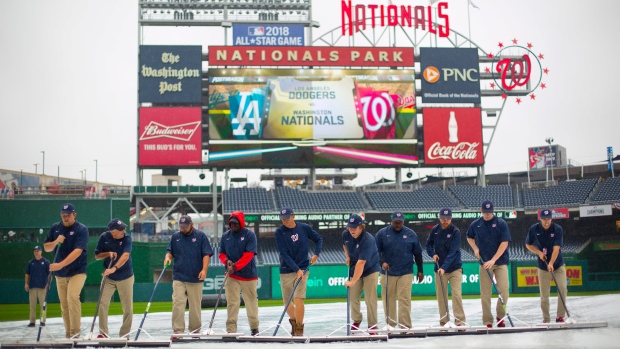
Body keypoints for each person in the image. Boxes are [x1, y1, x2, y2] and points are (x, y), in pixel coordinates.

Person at [275, 207, 323, 336]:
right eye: (282, 219)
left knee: (298, 298)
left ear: (293, 216)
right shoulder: (279, 232)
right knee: (287, 303)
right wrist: (296, 269)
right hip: (286, 269)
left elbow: (318, 239)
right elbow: (283, 253)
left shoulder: (304, 228)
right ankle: (295, 320)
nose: (284, 221)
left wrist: (316, 254)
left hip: (303, 268)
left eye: (287, 218)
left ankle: (298, 328)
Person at [44, 203, 89, 338]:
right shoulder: (55, 228)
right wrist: (56, 241)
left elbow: (78, 251)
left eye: (68, 215)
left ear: (74, 214)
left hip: (77, 271)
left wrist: (61, 264)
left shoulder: (81, 229)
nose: (65, 218)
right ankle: (68, 334)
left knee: (72, 298)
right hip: (60, 274)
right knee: (64, 305)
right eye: (63, 215)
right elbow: (46, 247)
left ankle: (75, 333)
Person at [164, 215, 213, 335]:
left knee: (195, 306)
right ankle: (178, 330)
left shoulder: (200, 236)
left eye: (185, 227)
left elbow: (206, 254)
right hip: (179, 276)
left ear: (191, 225)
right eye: (181, 227)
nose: (182, 229)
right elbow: (169, 251)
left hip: (195, 277)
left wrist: (204, 270)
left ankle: (195, 330)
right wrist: (168, 258)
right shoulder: (175, 236)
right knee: (177, 303)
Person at [466, 200, 511, 328]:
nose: (487, 215)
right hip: (484, 263)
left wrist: (493, 260)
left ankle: (500, 316)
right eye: (485, 212)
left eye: (489, 212)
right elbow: (469, 237)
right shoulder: (476, 224)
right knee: (485, 293)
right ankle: (488, 321)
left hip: (500, 262)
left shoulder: (500, 223)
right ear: (481, 210)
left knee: (504, 290)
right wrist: (475, 248)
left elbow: (505, 243)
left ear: (493, 210)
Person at [375, 211, 423, 330]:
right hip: (387, 271)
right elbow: (375, 251)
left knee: (405, 299)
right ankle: (390, 324)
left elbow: (417, 253)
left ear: (403, 221)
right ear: (391, 221)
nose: (397, 224)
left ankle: (405, 325)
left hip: (405, 271)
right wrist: (382, 263)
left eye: (400, 222)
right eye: (395, 222)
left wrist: (420, 270)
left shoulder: (411, 234)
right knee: (388, 299)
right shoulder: (382, 233)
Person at [218, 211, 259, 335]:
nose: (233, 225)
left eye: (235, 223)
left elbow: (249, 255)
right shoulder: (225, 236)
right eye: (231, 223)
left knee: (251, 302)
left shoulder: (249, 235)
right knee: (232, 302)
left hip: (248, 275)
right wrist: (227, 261)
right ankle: (231, 329)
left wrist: (235, 266)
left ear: (241, 222)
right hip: (232, 276)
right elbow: (221, 253)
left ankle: (254, 328)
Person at [525, 209, 568, 323]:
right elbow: (528, 244)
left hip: (558, 264)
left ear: (551, 219)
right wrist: (539, 252)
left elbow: (556, 248)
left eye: (548, 219)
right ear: (540, 219)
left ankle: (560, 316)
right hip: (543, 266)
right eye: (544, 219)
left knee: (563, 289)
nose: (546, 221)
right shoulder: (534, 229)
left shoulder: (557, 229)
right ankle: (546, 318)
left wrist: (551, 263)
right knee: (544, 294)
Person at [426, 208, 466, 326]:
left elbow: (453, 252)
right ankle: (444, 321)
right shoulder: (435, 230)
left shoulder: (455, 231)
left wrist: (444, 267)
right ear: (439, 218)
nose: (445, 220)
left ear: (451, 218)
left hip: (454, 268)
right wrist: (433, 254)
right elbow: (428, 245)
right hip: (439, 269)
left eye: (447, 218)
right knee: (441, 297)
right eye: (443, 218)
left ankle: (459, 321)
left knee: (456, 295)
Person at [94, 218, 134, 338]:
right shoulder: (104, 237)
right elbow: (97, 256)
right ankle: (103, 333)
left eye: (123, 228)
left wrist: (114, 268)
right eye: (120, 229)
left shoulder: (127, 238)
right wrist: (108, 253)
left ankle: (124, 334)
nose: (124, 230)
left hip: (125, 276)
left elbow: (126, 255)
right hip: (109, 278)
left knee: (127, 308)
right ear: (112, 231)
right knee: (102, 303)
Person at [342, 214, 380, 332]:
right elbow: (345, 245)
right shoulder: (346, 234)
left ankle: (372, 325)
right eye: (349, 227)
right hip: (355, 266)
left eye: (354, 227)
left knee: (370, 298)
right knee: (353, 297)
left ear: (361, 227)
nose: (351, 230)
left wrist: (353, 281)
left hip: (370, 268)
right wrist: (347, 256)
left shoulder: (368, 239)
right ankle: (357, 320)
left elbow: (361, 263)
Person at [24, 246, 50, 327]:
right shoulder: (30, 262)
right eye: (35, 251)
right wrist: (26, 283)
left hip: (42, 287)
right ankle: (32, 321)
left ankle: (42, 321)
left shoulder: (46, 262)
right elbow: (27, 273)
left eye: (37, 251)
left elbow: (49, 274)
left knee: (43, 305)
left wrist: (48, 283)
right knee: (32, 305)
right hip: (32, 287)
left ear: (41, 251)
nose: (36, 252)